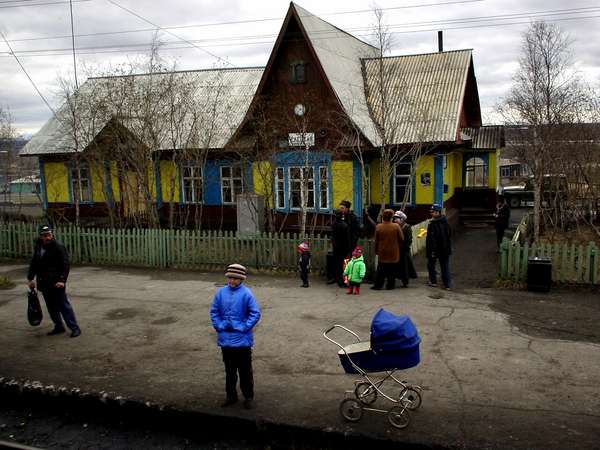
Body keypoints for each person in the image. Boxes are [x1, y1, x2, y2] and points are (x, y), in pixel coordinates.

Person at [210, 263, 261, 410]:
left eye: (236, 279)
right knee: (229, 372)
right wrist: (219, 325)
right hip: (225, 341)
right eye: (230, 278)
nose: (232, 281)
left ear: (241, 279)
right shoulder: (220, 293)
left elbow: (255, 313)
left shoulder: (246, 294)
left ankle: (248, 396)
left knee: (245, 371)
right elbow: (214, 311)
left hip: (242, 342)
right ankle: (231, 396)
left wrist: (244, 327)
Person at [27, 225, 81, 338]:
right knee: (51, 307)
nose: (47, 237)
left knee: (64, 306)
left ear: (52, 234)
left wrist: (62, 280)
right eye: (44, 235)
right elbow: (35, 263)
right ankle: (59, 326)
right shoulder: (39, 246)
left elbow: (65, 265)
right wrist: (30, 278)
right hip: (43, 282)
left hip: (56, 283)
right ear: (40, 236)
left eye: (48, 235)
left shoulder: (58, 247)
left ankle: (75, 328)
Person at [328, 200, 361, 287]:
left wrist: (353, 239)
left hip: (348, 245)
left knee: (346, 264)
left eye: (342, 208)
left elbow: (357, 230)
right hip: (338, 245)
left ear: (347, 208)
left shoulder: (352, 217)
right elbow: (333, 229)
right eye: (340, 207)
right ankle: (337, 278)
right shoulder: (337, 217)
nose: (340, 209)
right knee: (337, 263)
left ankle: (345, 281)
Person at [372, 209, 404, 290]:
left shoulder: (379, 226)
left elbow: (376, 241)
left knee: (381, 269)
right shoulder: (396, 226)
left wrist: (376, 250)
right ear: (391, 217)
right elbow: (402, 238)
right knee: (392, 270)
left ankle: (378, 285)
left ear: (383, 217)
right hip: (393, 251)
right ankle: (390, 285)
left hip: (382, 251)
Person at [426, 204, 452, 290]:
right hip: (445, 249)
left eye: (432, 212)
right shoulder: (446, 222)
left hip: (435, 249)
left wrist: (432, 251)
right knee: (445, 266)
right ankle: (447, 285)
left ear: (437, 212)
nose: (431, 213)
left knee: (431, 265)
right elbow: (449, 235)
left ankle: (433, 282)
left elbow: (432, 239)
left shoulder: (433, 224)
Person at [393, 210, 417, 287]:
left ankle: (405, 281)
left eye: (397, 218)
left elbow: (409, 239)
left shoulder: (406, 227)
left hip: (404, 250)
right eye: (395, 218)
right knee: (397, 265)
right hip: (397, 249)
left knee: (405, 266)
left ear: (402, 219)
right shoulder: (395, 227)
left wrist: (404, 247)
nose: (395, 220)